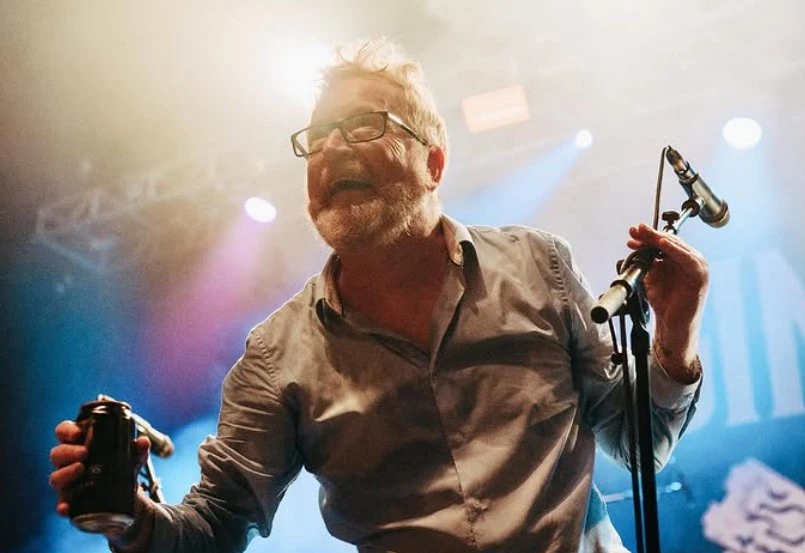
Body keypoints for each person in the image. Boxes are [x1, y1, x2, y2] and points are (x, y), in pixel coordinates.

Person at [49, 38, 708, 553]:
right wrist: (131, 517)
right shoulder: (276, 356)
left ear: (433, 162)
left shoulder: (539, 265)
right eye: (317, 136)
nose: (333, 147)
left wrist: (675, 337)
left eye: (364, 124)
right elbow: (215, 525)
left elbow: (638, 443)